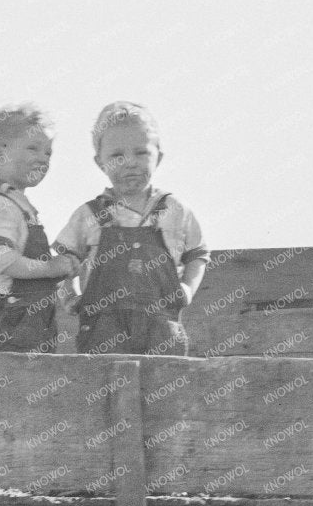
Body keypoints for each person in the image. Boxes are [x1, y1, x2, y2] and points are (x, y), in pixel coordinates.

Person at [53, 101, 211, 357]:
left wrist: (188, 289)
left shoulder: (175, 211)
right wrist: (70, 297)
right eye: (117, 156)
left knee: (164, 387)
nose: (130, 163)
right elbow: (61, 261)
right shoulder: (89, 215)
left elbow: (198, 254)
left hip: (162, 329)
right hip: (103, 331)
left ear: (158, 156)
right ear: (100, 162)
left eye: (141, 153)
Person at [0, 104, 80, 354]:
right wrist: (50, 267)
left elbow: (35, 269)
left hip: (33, 327)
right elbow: (1, 260)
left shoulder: (21, 207)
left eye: (48, 152)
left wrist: (65, 288)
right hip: (6, 326)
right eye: (33, 148)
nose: (43, 158)